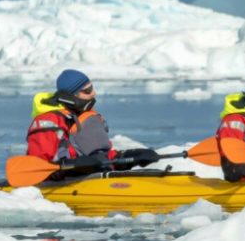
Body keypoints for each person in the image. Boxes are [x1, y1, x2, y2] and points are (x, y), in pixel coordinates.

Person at [26, 69, 158, 176]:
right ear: (71, 96)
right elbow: (39, 166)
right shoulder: (49, 121)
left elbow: (101, 157)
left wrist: (129, 157)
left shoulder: (86, 116)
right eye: (87, 91)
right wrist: (80, 166)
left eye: (92, 88)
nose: (94, 93)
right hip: (64, 184)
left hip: (92, 178)